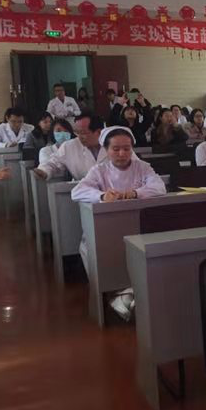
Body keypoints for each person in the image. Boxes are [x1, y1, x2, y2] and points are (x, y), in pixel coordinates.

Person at [71, 126, 166, 320]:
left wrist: (136, 193)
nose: (122, 154)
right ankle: (119, 294)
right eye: (116, 149)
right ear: (106, 150)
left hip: (138, 227)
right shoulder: (99, 170)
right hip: (106, 230)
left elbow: (159, 187)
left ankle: (130, 294)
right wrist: (101, 195)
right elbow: (77, 191)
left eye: (126, 148)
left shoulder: (142, 167)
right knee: (95, 249)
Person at [34, 114, 105, 180]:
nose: (80, 137)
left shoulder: (110, 144)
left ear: (98, 132)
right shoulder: (69, 146)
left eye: (83, 133)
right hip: (84, 188)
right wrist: (44, 171)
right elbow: (53, 163)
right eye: (77, 132)